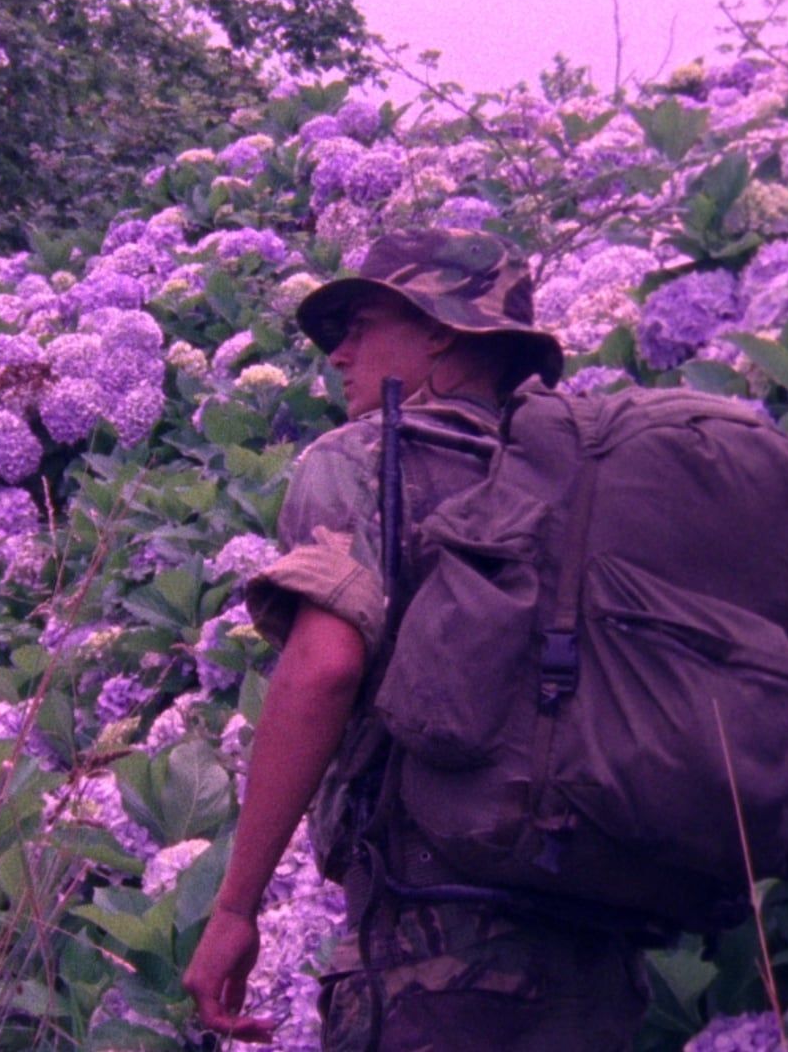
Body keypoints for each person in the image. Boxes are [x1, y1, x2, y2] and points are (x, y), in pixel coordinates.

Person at [184, 229, 648, 1049]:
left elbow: (324, 669)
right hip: (599, 960)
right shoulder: (594, 483)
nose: (339, 353)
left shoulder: (360, 459)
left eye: (359, 323)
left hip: (434, 955)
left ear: (442, 328)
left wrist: (234, 908)